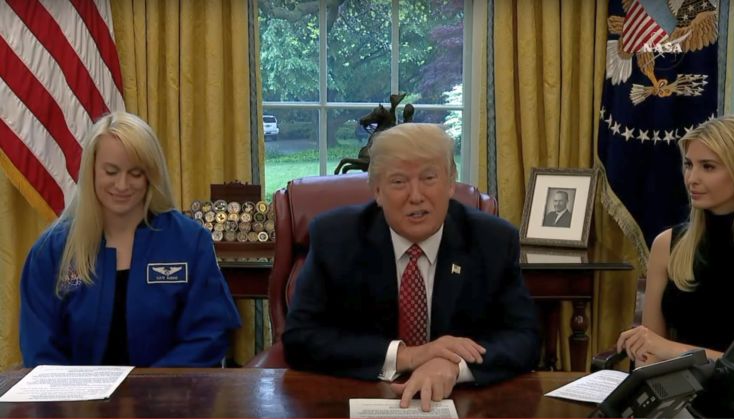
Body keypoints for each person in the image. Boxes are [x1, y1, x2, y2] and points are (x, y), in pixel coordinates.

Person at [283, 123, 540, 411]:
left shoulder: (492, 240)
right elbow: (300, 338)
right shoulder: (336, 238)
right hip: (360, 397)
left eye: (429, 178)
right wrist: (409, 356)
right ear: (377, 191)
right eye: (398, 182)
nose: (416, 196)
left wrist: (452, 365)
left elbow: (524, 339)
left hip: (460, 403)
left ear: (451, 183)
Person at [20, 112, 241, 367]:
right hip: (77, 403)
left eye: (135, 173)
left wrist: (150, 390)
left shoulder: (190, 242)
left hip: (169, 400)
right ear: (91, 171)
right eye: (111, 172)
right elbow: (39, 347)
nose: (122, 185)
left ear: (151, 175)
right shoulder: (51, 251)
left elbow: (209, 335)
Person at [617, 114, 734, 366]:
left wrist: (671, 350)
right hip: (677, 397)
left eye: (708, 166)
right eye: (689, 164)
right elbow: (649, 355)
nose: (692, 179)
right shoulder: (667, 245)